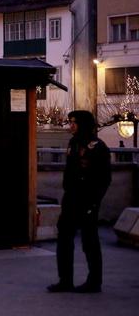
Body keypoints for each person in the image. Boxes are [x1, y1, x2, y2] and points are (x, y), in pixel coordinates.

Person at [48, 110, 111, 294]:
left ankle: (94, 282)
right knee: (64, 239)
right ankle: (65, 280)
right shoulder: (73, 143)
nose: (71, 125)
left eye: (75, 122)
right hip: (71, 199)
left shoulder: (98, 147)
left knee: (89, 241)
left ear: (84, 124)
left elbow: (104, 179)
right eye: (71, 121)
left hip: (87, 201)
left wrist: (93, 203)